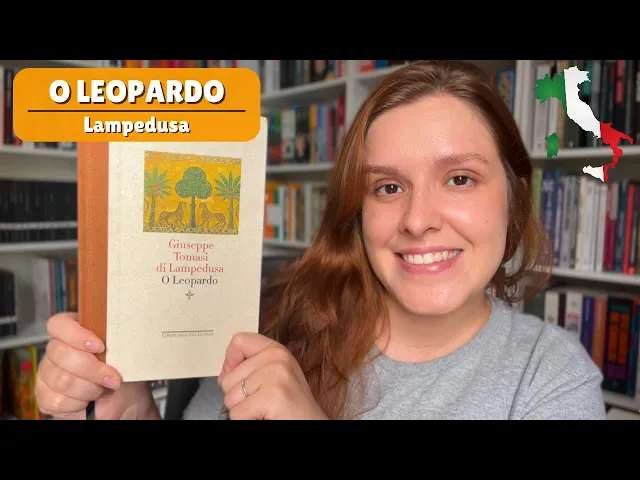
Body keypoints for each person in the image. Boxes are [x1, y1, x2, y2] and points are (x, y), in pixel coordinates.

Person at [35, 60, 606, 420]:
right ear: (357, 209)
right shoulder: (281, 320)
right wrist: (132, 412)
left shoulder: (548, 377)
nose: (417, 220)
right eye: (387, 187)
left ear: (513, 197)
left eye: (459, 178)